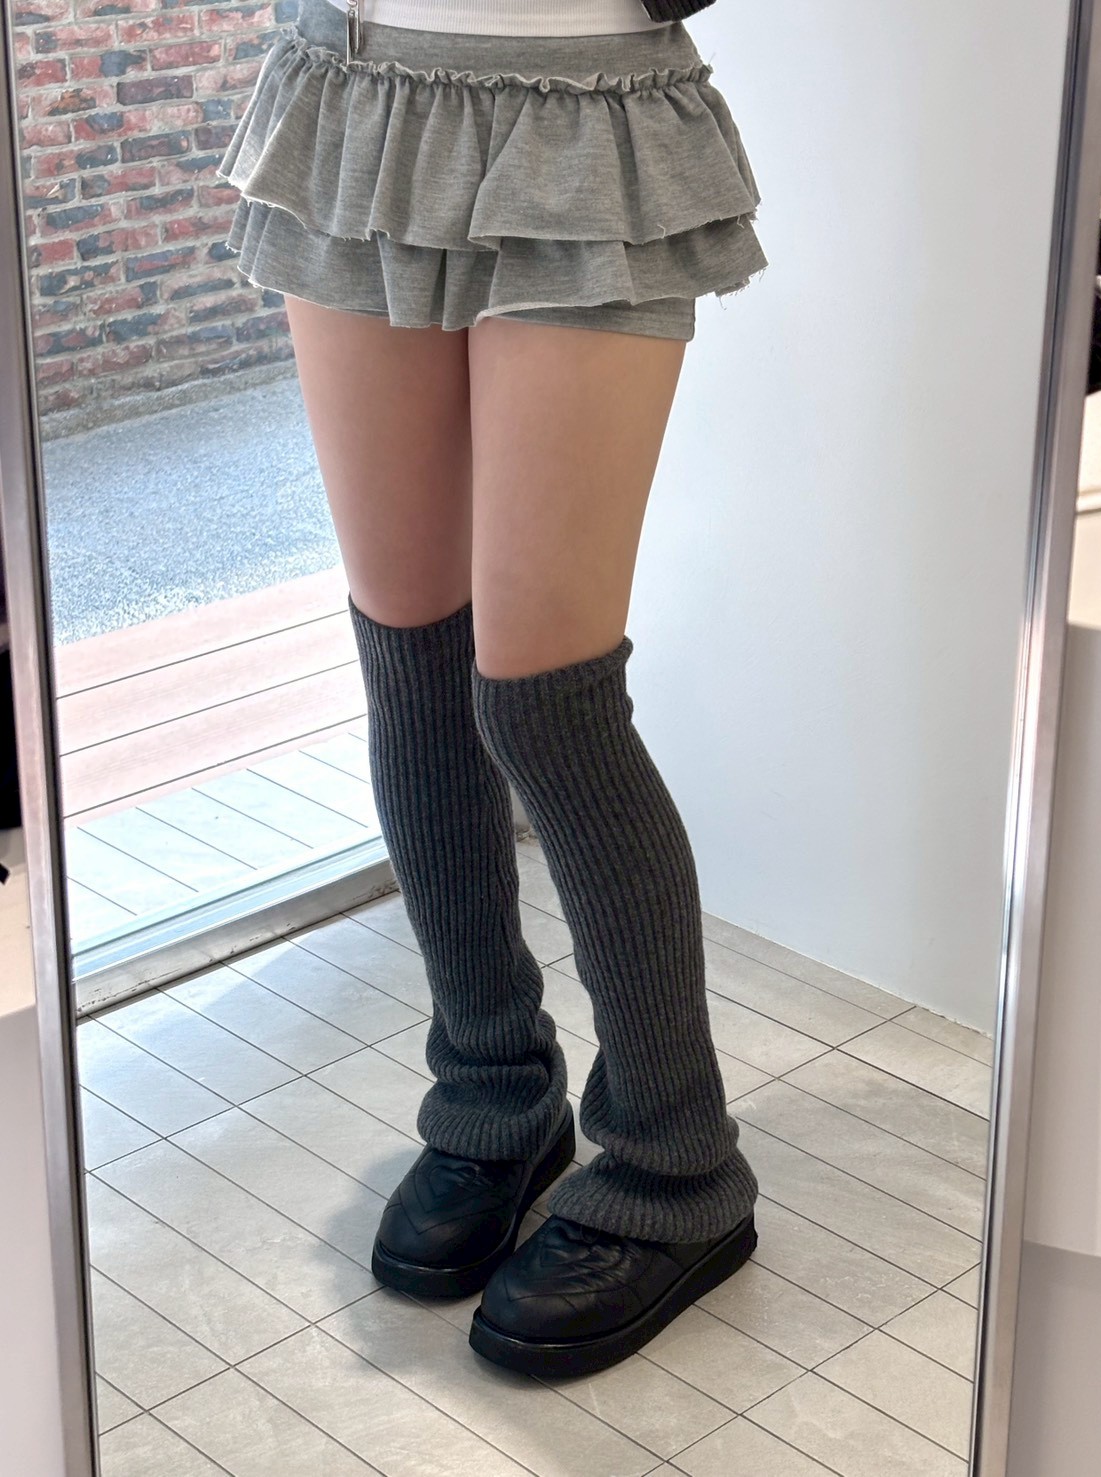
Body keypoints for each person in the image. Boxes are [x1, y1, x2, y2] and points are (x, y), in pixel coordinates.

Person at [216, 0, 766, 1378]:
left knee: (543, 693)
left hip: (587, 109)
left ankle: (675, 1158)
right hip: (355, 89)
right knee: (411, 658)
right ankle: (492, 1095)